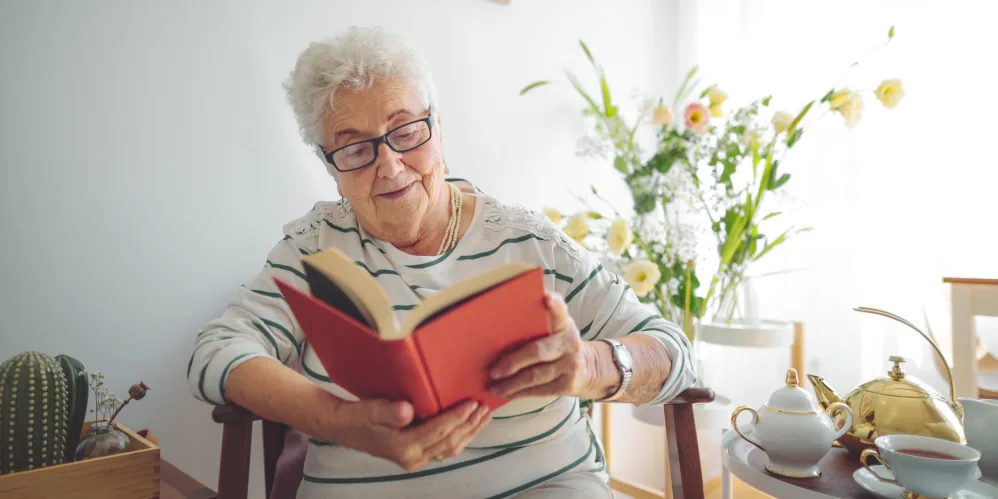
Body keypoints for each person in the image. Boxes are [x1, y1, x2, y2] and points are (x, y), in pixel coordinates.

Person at [187, 26, 696, 499]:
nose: (389, 165)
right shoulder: (312, 249)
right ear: (329, 166)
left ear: (438, 128)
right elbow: (216, 350)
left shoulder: (529, 240)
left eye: (406, 132)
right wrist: (340, 420)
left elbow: (672, 351)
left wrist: (586, 365)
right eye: (355, 149)